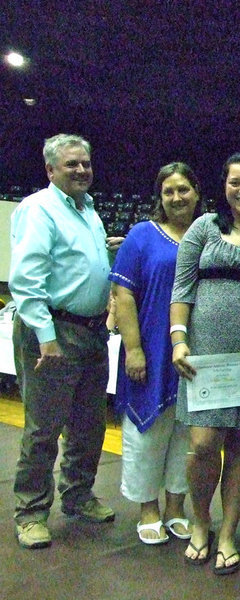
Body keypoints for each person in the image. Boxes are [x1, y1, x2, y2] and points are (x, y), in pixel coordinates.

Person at [9, 134, 124, 549]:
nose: (81, 170)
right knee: (44, 428)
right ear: (50, 170)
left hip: (92, 331)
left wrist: (111, 252)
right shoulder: (38, 209)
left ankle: (77, 496)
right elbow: (26, 279)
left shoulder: (88, 210)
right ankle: (30, 512)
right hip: (55, 333)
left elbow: (78, 266)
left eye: (86, 163)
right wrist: (45, 336)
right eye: (72, 164)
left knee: (89, 425)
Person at [170, 153, 240, 575]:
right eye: (235, 182)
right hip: (203, 355)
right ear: (224, 186)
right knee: (202, 445)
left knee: (239, 445)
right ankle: (201, 522)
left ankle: (228, 533)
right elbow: (182, 289)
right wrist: (178, 341)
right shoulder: (203, 228)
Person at [108, 163, 204, 544]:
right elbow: (124, 295)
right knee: (146, 432)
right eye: (169, 191)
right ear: (159, 197)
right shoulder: (141, 236)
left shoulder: (210, 233)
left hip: (197, 350)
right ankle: (148, 509)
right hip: (148, 346)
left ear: (197, 192)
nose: (177, 197)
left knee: (187, 434)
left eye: (184, 189)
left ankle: (176, 508)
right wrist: (133, 349)